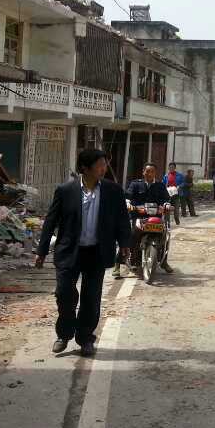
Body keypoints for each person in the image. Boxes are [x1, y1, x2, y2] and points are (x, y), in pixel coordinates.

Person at [35, 149, 130, 357]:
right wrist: (41, 251)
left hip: (97, 252)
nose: (104, 169)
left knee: (91, 297)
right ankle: (64, 333)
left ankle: (86, 338)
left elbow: (122, 219)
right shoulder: (65, 190)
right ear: (85, 168)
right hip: (69, 252)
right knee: (64, 294)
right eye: (100, 165)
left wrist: (124, 243)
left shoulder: (113, 191)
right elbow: (50, 222)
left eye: (105, 165)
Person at [117, 162, 172, 277]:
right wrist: (128, 203)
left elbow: (166, 199)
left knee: (165, 235)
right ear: (143, 172)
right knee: (131, 234)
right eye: (147, 171)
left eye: (152, 171)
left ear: (155, 173)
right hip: (138, 216)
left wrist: (166, 205)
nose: (149, 173)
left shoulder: (160, 186)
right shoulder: (135, 184)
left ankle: (163, 261)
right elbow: (128, 196)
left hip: (155, 217)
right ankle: (124, 261)